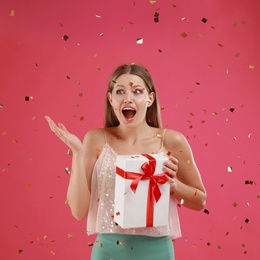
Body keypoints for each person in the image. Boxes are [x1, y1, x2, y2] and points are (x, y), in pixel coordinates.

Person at [45, 63, 206, 260]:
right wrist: (78, 154)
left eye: (137, 91)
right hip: (108, 251)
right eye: (120, 91)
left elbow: (200, 201)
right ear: (111, 99)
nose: (128, 98)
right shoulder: (96, 139)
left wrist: (172, 186)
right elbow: (79, 212)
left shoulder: (172, 140)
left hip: (157, 252)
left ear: (150, 99)